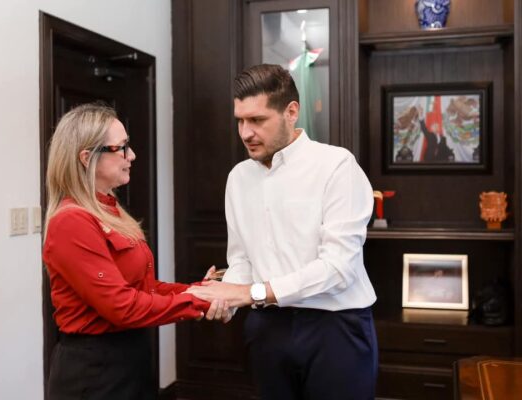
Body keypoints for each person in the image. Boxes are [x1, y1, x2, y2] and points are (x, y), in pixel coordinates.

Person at [187, 64, 378, 399]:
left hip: (334, 329)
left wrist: (248, 294)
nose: (245, 133)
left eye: (257, 120)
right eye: (240, 121)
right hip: (266, 329)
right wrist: (224, 297)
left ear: (291, 112)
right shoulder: (238, 178)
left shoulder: (336, 166)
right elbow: (243, 259)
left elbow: (338, 269)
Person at [42, 103, 220, 400]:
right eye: (122, 147)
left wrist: (199, 289)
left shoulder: (109, 211)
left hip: (129, 357)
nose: (132, 155)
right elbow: (122, 305)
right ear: (87, 158)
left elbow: (143, 289)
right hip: (96, 371)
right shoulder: (72, 221)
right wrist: (198, 301)